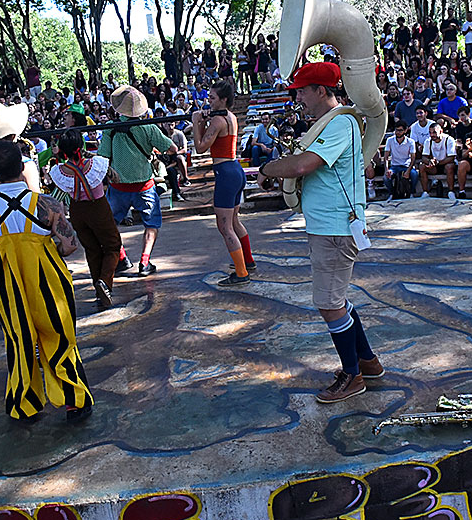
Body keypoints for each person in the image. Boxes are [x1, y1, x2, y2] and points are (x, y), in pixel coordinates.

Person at [256, 62, 383, 403]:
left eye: (302, 89)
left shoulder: (341, 122)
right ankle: (367, 362)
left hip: (334, 228)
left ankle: (352, 375)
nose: (297, 95)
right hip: (331, 226)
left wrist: (268, 168)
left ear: (321, 91)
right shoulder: (335, 123)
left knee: (329, 304)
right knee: (337, 300)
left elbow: (302, 165)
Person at [0, 139, 92, 423]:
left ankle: (24, 404)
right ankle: (74, 401)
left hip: (9, 285)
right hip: (49, 281)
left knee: (18, 340)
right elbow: (70, 245)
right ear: (22, 168)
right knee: (59, 336)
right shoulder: (46, 204)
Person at [98, 86, 177, 277]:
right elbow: (172, 148)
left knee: (110, 224)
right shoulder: (149, 128)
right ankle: (144, 261)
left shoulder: (111, 128)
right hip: (144, 186)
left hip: (118, 187)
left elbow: (103, 157)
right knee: (151, 224)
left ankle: (123, 258)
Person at [192, 81, 255, 286]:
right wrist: (203, 122)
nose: (208, 101)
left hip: (226, 174)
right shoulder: (230, 117)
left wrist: (196, 122)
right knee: (234, 221)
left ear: (223, 99)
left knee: (225, 226)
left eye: (212, 98)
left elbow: (201, 147)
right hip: (234, 170)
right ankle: (248, 261)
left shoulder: (218, 121)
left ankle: (241, 272)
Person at [50, 130, 122, 308]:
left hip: (77, 212)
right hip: (98, 207)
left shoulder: (60, 171)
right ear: (81, 146)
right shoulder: (95, 164)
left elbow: (59, 194)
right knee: (113, 245)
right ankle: (105, 281)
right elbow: (115, 177)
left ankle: (99, 290)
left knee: (92, 249)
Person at [418, 122, 457, 198]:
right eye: (430, 132)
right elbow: (424, 157)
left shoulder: (449, 139)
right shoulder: (428, 141)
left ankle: (451, 192)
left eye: (434, 132)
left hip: (446, 164)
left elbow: (451, 157)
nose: (432, 135)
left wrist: (438, 162)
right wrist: (429, 161)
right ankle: (425, 192)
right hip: (434, 166)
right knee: (422, 167)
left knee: (449, 167)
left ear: (441, 131)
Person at [383, 120, 417, 199]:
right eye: (396, 130)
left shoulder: (410, 141)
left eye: (400, 130)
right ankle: (391, 193)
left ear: (405, 130)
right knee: (386, 177)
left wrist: (408, 170)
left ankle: (411, 193)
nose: (398, 132)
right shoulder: (390, 140)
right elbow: (386, 156)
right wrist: (387, 169)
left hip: (406, 165)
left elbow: (413, 158)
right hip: (395, 166)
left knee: (414, 174)